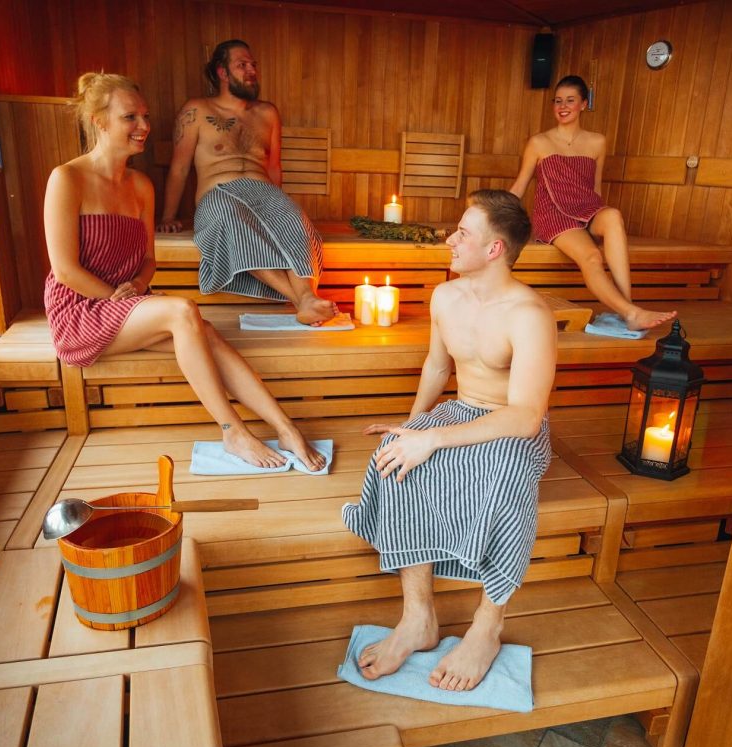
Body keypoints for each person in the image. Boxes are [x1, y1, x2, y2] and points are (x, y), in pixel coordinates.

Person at [43, 72, 323, 471]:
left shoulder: (141, 186)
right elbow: (65, 270)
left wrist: (138, 285)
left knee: (204, 333)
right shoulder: (67, 179)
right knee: (183, 311)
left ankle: (286, 427)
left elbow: (148, 260)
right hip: (81, 310)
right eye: (130, 117)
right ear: (98, 121)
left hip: (127, 303)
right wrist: (119, 298)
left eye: (145, 116)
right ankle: (233, 431)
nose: (143, 126)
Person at [342, 190, 556, 691]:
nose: (450, 240)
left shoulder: (529, 314)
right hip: (460, 411)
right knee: (393, 461)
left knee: (506, 481)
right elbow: (438, 367)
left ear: (494, 249)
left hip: (511, 426)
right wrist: (412, 429)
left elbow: (526, 417)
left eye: (463, 233)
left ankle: (488, 625)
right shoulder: (445, 296)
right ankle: (418, 617)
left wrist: (433, 439)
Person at [156, 40, 337, 326]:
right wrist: (168, 215)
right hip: (218, 193)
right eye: (242, 65)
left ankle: (307, 298)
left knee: (295, 220)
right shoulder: (198, 110)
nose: (251, 70)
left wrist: (279, 209)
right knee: (229, 219)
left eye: (253, 65)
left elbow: (274, 167)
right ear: (222, 72)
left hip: (263, 191)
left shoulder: (268, 113)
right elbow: (179, 168)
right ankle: (303, 299)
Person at [510, 75, 675, 331]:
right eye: (558, 101)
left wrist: (598, 220)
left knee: (613, 215)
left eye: (570, 100)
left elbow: (595, 187)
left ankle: (627, 307)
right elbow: (520, 186)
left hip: (587, 208)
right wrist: (494, 216)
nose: (563, 106)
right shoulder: (539, 142)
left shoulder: (597, 142)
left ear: (583, 104)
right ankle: (630, 312)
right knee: (592, 256)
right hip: (554, 214)